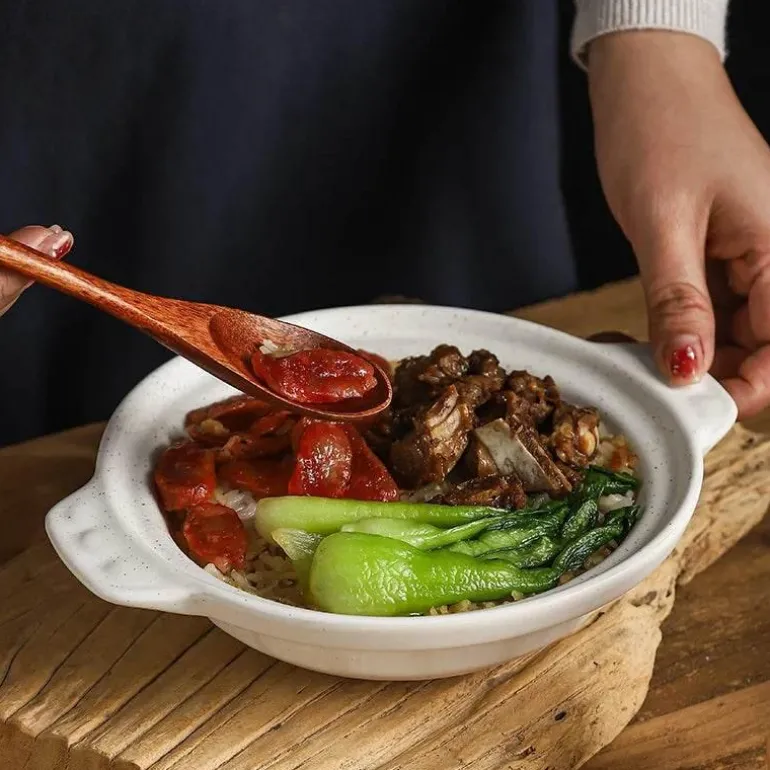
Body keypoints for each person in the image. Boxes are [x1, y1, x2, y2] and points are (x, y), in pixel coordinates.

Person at [1, 1, 768, 447]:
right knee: (68, 443)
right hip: (72, 74)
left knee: (503, 330)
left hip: (436, 54)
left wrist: (659, 32)